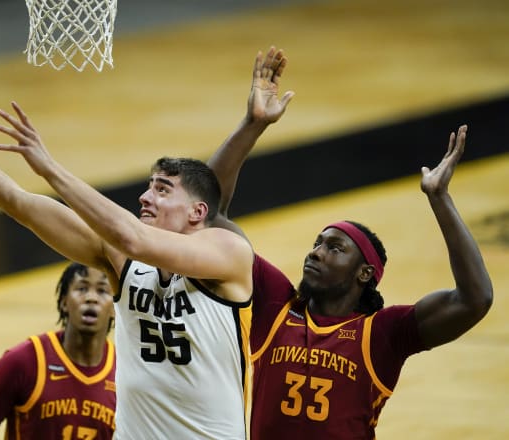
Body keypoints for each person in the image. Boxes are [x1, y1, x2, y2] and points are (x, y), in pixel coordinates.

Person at [0, 48, 290, 439]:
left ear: (197, 213)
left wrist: (49, 168)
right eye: (148, 187)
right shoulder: (122, 261)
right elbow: (17, 201)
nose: (145, 198)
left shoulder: (228, 253)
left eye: (163, 190)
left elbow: (132, 236)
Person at [206, 55, 494, 437]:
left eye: (335, 248)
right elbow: (208, 213)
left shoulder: (382, 333)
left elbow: (475, 300)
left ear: (365, 274)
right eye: (317, 243)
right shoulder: (275, 305)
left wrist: (440, 199)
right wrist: (252, 125)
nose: (316, 252)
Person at [0, 262, 116, 440]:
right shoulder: (23, 361)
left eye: (102, 291)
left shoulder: (125, 373)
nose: (91, 298)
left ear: (114, 308)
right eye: (81, 288)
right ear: (64, 302)